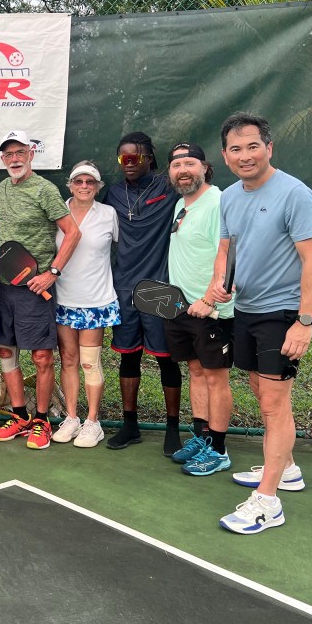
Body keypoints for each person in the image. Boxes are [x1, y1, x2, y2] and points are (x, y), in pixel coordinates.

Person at [207, 113, 312, 534]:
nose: (245, 156)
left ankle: (269, 501)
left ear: (269, 148)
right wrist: (221, 282)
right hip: (248, 309)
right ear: (225, 156)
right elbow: (226, 247)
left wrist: (304, 322)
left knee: (274, 404)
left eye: (253, 146)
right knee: (259, 388)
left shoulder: (296, 194)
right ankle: (287, 468)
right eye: (236, 149)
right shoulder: (231, 196)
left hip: (283, 312)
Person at [0, 130, 79, 450]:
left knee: (41, 357)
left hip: (35, 289)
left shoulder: (45, 189)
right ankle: (19, 415)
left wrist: (52, 272)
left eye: (19, 152)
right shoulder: (2, 188)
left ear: (31, 153)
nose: (14, 158)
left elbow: (73, 233)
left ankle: (41, 420)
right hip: (2, 288)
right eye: (8, 154)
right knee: (6, 352)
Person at [103, 132, 184, 455]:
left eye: (136, 157)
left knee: (167, 361)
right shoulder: (112, 193)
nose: (130, 164)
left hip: (160, 288)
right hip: (123, 287)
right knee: (128, 357)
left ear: (150, 158)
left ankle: (173, 428)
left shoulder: (168, 188)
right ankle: (130, 424)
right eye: (124, 159)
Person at [161, 143, 236, 476]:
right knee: (196, 372)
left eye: (189, 163)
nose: (183, 170)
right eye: (176, 165)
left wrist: (208, 300)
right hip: (182, 308)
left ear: (205, 167)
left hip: (212, 310)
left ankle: (219, 450)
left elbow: (230, 255)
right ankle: (202, 437)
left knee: (216, 378)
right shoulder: (181, 204)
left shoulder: (218, 202)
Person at [51, 161, 120, 449]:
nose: (84, 186)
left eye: (90, 182)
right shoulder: (57, 212)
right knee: (68, 361)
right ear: (70, 185)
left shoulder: (109, 214)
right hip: (62, 300)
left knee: (90, 362)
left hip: (97, 302)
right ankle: (71, 418)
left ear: (98, 187)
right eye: (78, 181)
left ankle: (93, 422)